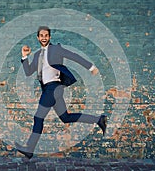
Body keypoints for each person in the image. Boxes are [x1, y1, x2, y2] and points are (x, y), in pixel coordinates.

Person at [15, 26, 107, 159]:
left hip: (54, 87)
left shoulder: (56, 49)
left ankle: (29, 149)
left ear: (49, 37)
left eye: (46, 35)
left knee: (38, 118)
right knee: (66, 118)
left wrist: (91, 67)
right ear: (38, 37)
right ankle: (99, 119)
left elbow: (73, 56)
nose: (44, 37)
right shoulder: (36, 55)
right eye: (41, 35)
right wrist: (24, 57)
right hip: (48, 89)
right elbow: (29, 72)